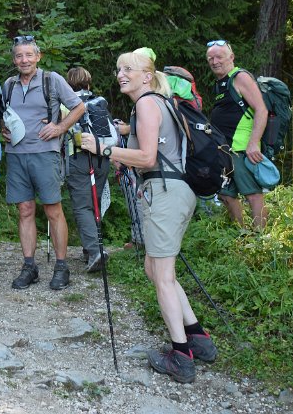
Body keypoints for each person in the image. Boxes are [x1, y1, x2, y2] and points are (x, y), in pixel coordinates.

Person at [80, 50, 216, 384]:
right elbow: (151, 154)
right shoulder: (160, 102)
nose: (121, 74)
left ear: (147, 75)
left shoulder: (146, 103)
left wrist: (102, 148)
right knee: (153, 268)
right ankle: (198, 337)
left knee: (163, 276)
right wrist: (122, 155)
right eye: (118, 69)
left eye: (128, 68)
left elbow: (147, 156)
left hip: (165, 193)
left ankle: (181, 356)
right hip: (172, 190)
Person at [2, 36, 84, 291]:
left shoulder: (52, 80)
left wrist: (60, 127)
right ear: (14, 59)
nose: (24, 60)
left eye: (29, 55)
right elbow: (4, 114)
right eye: (19, 56)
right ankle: (29, 266)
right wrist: (3, 130)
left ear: (38, 57)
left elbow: (79, 107)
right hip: (16, 154)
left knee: (52, 209)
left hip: (45, 153)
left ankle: (61, 266)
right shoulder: (9, 84)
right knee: (25, 210)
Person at [205, 40, 269, 229]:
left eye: (219, 57)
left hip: (241, 149)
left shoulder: (240, 77)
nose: (214, 61)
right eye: (210, 58)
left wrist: (254, 143)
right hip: (225, 150)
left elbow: (261, 110)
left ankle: (261, 238)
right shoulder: (221, 83)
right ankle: (241, 234)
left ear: (231, 57)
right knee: (226, 195)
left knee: (252, 194)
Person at [63, 66, 111, 273]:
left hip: (78, 158)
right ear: (88, 83)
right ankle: (91, 249)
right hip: (102, 157)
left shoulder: (66, 104)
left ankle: (94, 251)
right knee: (94, 204)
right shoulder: (99, 102)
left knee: (82, 207)